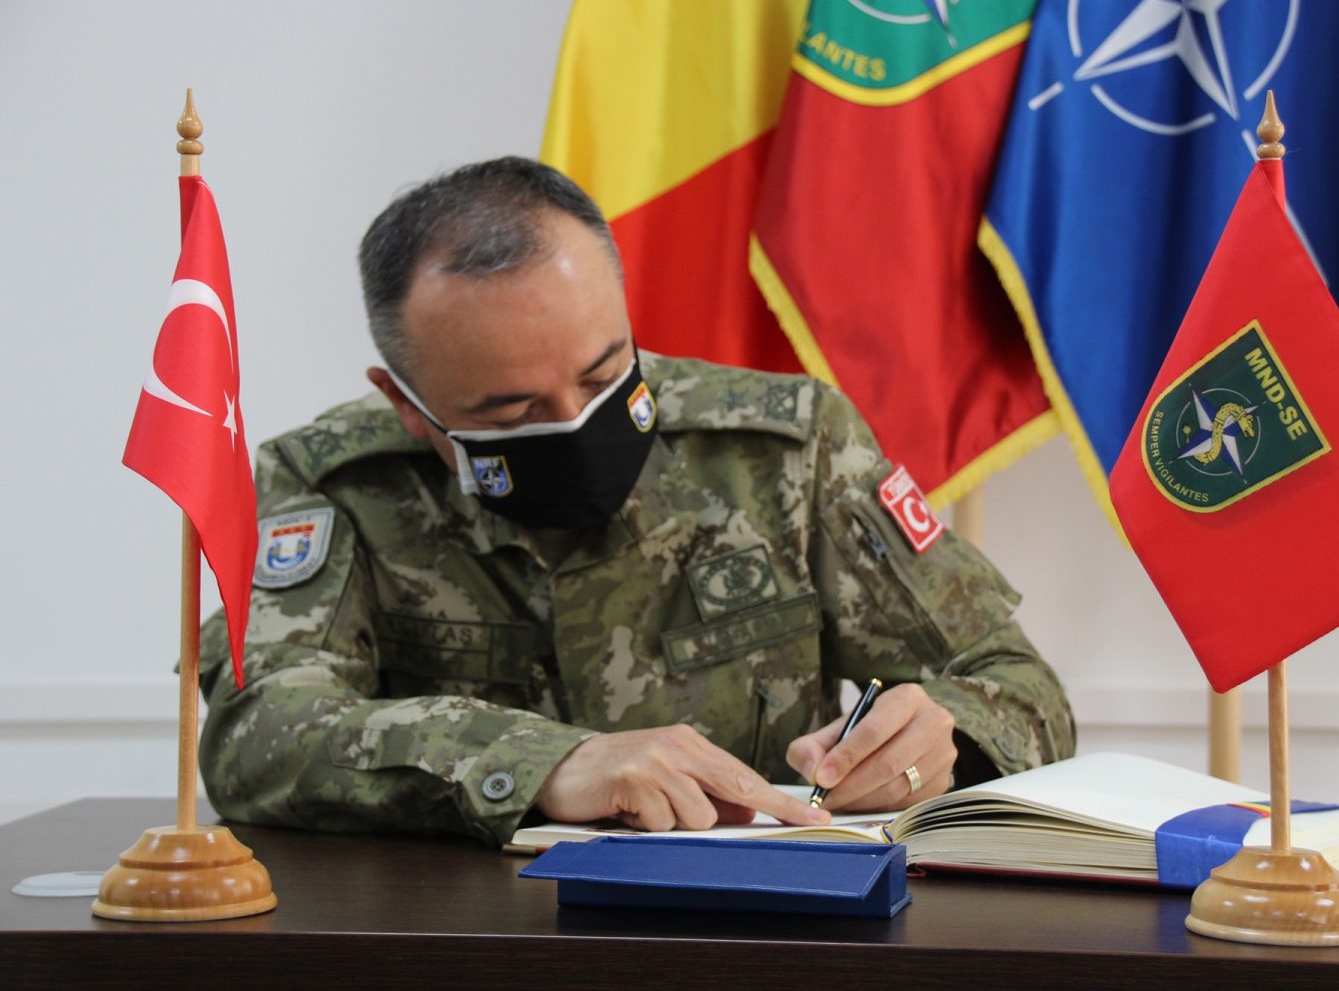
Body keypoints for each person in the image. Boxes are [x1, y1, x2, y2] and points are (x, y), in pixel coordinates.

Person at [196, 157, 1075, 846]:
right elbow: (258, 732)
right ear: (408, 406)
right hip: (469, 941)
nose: (575, 422)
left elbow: (1021, 686)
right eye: (512, 411)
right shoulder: (334, 484)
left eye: (602, 374)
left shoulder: (787, 447)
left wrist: (939, 739)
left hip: (757, 933)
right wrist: (545, 764)